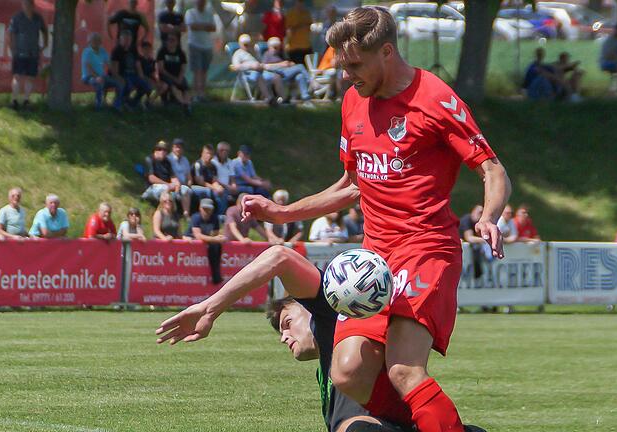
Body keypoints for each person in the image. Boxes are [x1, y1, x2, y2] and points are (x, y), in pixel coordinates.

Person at [236, 7, 509, 431]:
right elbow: (350, 185)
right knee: (346, 371)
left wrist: (490, 216)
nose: (346, 74)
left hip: (425, 250)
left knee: (403, 370)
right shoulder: (352, 102)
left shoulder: (435, 98)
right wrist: (281, 211)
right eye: (342, 65)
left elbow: (492, 169)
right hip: (373, 262)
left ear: (386, 51)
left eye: (354, 64)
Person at [156, 245, 421, 432]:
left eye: (287, 323)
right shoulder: (330, 365)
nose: (284, 337)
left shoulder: (333, 317)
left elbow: (279, 257)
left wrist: (210, 308)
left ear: (309, 308)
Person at [7, 0, 48, 110]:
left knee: (30, 77)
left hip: (33, 52)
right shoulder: (17, 18)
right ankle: (14, 100)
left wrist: (45, 43)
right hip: (19, 52)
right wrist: (11, 47)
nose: (26, 7)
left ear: (33, 6)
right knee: (17, 76)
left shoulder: (38, 18)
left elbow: (44, 30)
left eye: (28, 4)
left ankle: (26, 100)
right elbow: (10, 33)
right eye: (24, 4)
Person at [231, 33, 285, 105]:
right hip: (247, 74)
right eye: (245, 44)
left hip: (261, 71)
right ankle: (269, 98)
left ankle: (282, 98)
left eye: (248, 44)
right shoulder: (238, 54)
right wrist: (250, 66)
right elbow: (236, 67)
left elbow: (260, 63)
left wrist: (260, 66)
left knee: (276, 77)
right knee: (259, 77)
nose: (247, 46)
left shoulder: (253, 52)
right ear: (240, 44)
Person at [142, 140, 192, 216]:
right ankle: (163, 214)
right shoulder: (149, 159)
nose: (162, 151)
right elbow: (151, 178)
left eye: (164, 150)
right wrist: (168, 184)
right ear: (155, 150)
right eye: (159, 149)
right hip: (151, 188)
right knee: (165, 188)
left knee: (185, 189)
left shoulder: (167, 162)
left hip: (167, 186)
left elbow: (173, 177)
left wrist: (177, 184)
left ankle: (186, 214)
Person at [184, 198, 225, 284]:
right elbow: (198, 235)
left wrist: (219, 238)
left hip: (206, 242)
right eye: (204, 209)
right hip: (191, 241)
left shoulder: (215, 218)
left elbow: (215, 234)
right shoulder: (196, 217)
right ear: (200, 208)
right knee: (215, 244)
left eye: (209, 209)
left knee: (217, 246)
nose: (207, 211)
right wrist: (214, 239)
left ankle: (216, 275)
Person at [262, 36, 312, 104]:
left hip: (287, 73)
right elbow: (264, 66)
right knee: (300, 66)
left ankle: (306, 97)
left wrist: (290, 64)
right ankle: (312, 82)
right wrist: (280, 64)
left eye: (278, 46)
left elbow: (289, 62)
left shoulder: (281, 53)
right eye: (274, 47)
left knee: (300, 75)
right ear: (269, 47)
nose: (276, 49)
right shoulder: (267, 55)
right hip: (278, 75)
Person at [112, 30, 151, 109]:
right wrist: (118, 78)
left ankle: (133, 103)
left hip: (134, 74)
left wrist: (141, 75)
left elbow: (137, 63)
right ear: (120, 39)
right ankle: (122, 102)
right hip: (123, 75)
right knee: (128, 85)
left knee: (147, 86)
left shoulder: (133, 49)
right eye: (125, 39)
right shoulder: (116, 50)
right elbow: (114, 67)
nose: (127, 42)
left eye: (129, 39)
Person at [185, 0, 216, 101]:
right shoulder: (190, 13)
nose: (201, 3)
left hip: (207, 46)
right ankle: (196, 93)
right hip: (195, 45)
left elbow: (213, 27)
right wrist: (205, 26)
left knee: (204, 70)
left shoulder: (209, 13)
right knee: (197, 70)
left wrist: (201, 26)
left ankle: (202, 93)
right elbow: (193, 26)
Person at [81, 32, 119, 109]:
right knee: (99, 82)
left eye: (98, 40)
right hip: (88, 76)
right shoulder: (86, 51)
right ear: (89, 42)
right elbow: (88, 67)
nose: (96, 42)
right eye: (94, 40)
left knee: (119, 83)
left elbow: (109, 64)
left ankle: (117, 105)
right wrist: (97, 77)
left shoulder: (103, 51)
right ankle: (98, 106)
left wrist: (116, 75)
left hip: (102, 76)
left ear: (100, 42)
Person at [156, 33, 191, 111]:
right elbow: (161, 69)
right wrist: (174, 78)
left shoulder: (181, 53)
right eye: (169, 40)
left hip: (178, 75)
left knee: (185, 88)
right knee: (173, 87)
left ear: (177, 42)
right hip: (166, 75)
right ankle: (183, 103)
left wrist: (180, 78)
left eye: (173, 40)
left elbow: (183, 68)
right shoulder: (162, 52)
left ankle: (187, 104)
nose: (171, 42)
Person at [191, 144, 228, 214]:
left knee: (223, 191)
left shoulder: (213, 166)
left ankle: (222, 214)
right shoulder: (197, 165)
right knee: (211, 192)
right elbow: (200, 182)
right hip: (196, 188)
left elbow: (214, 180)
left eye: (211, 154)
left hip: (209, 187)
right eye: (207, 153)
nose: (209, 156)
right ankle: (218, 214)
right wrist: (214, 188)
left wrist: (218, 187)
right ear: (202, 153)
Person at [284, 0, 313, 65]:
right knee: (298, 68)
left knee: (309, 67)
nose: (300, 3)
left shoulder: (306, 13)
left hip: (306, 46)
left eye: (302, 2)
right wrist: (300, 26)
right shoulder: (290, 14)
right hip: (295, 48)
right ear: (295, 2)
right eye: (299, 2)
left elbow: (309, 27)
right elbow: (288, 31)